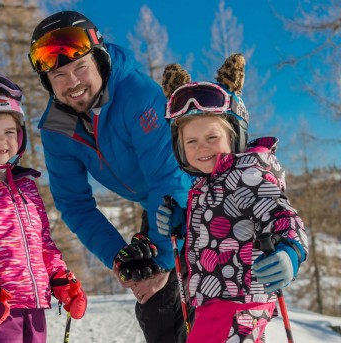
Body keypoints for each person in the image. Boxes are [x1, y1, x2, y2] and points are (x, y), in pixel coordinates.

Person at [28, 11, 193, 343]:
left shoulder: (137, 94)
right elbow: (75, 205)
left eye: (80, 68)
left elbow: (168, 178)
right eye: (59, 75)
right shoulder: (57, 128)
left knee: (204, 296)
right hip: (155, 204)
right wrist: (121, 259)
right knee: (155, 305)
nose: (72, 83)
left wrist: (160, 261)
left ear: (99, 58)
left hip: (194, 193)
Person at [156, 54, 309, 342]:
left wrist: (291, 250)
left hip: (240, 304)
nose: (202, 148)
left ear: (234, 137)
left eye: (212, 138)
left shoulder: (248, 176)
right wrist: (183, 223)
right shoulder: (204, 185)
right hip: (213, 302)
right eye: (191, 141)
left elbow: (283, 215)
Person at [0, 74, 87, 343]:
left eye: (9, 132)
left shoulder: (27, 188)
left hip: (34, 307)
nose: (1, 142)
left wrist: (60, 277)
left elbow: (43, 244)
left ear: (20, 137)